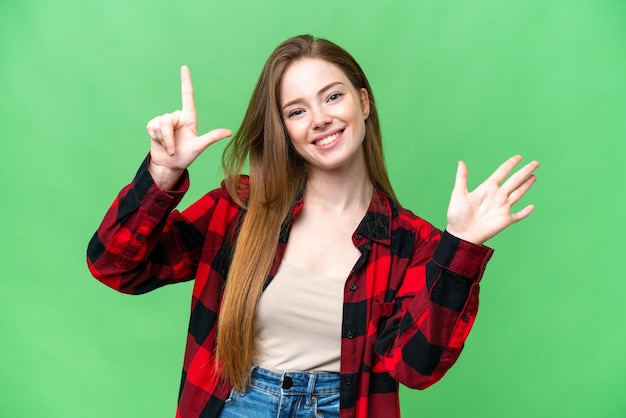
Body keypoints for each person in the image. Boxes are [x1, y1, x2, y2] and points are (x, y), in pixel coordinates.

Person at [87, 34, 538, 418]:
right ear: (284, 127)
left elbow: (415, 369)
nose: (320, 118)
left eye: (333, 96)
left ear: (363, 102)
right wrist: (162, 173)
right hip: (240, 404)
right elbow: (116, 267)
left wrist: (459, 246)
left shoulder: (411, 241)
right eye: (296, 111)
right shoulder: (242, 206)